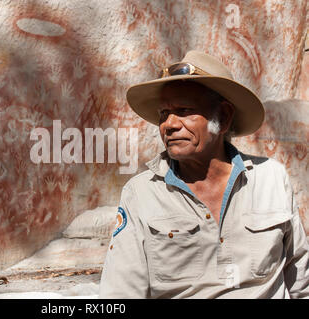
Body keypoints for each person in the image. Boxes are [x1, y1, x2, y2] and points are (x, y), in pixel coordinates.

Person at [99, 50, 309, 298]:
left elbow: (300, 283)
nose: (170, 124)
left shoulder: (270, 178)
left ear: (224, 116)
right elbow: (121, 294)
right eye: (164, 114)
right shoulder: (141, 193)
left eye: (185, 110)